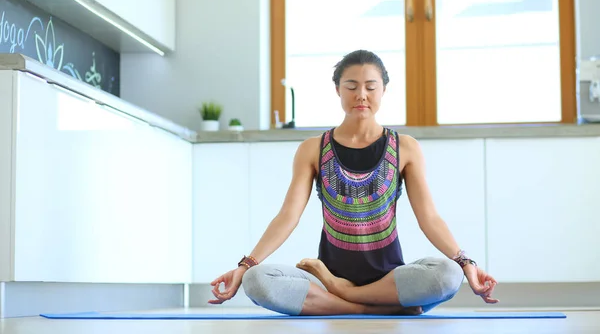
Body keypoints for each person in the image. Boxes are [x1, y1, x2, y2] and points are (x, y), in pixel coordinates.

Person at [208, 50, 498, 316]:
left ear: (384, 90)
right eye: (351, 86)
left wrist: (465, 264)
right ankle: (370, 307)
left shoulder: (405, 147)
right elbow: (288, 216)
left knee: (447, 275)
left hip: (388, 280)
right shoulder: (313, 149)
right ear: (337, 90)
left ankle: (344, 297)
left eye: (371, 87)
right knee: (257, 281)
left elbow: (429, 218)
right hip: (326, 276)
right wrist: (246, 265)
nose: (361, 95)